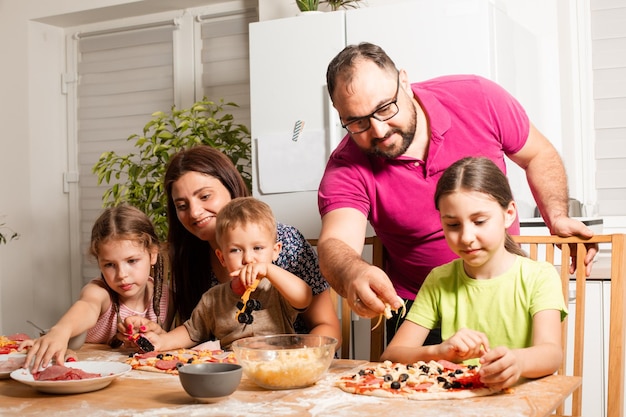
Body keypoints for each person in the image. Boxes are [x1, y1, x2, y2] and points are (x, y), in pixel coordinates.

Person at [316, 42, 594, 341]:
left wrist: (558, 216)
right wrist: (353, 272)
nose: (379, 130)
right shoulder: (346, 164)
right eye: (357, 122)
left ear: (405, 83)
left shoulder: (478, 97)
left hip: (506, 292)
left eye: (385, 108)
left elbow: (537, 154)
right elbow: (336, 242)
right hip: (423, 310)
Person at [380, 157, 567, 391]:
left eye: (479, 221)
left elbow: (551, 353)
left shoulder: (539, 276)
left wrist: (517, 362)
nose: (466, 237)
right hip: (456, 405)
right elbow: (392, 354)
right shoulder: (439, 279)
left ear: (509, 213)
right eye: (453, 225)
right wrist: (439, 351)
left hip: (521, 404)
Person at [135, 145, 339, 344]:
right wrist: (160, 338)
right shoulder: (190, 256)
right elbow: (193, 330)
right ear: (222, 256)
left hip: (297, 360)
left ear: (230, 187)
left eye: (205, 196)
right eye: (182, 206)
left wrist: (289, 356)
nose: (194, 212)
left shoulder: (284, 243)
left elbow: (323, 322)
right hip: (230, 368)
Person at [131, 197, 313, 351]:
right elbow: (191, 332)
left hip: (279, 369)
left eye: (258, 248)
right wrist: (162, 342)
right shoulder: (214, 299)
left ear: (275, 251)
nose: (248, 258)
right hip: (235, 373)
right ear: (222, 257)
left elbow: (304, 297)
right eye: (235, 250)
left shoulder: (277, 289)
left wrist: (268, 269)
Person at [21, 204, 173, 371]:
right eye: (109, 264)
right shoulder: (99, 292)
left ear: (152, 254)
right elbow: (87, 306)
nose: (122, 274)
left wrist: (158, 333)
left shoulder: (166, 298)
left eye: (131, 261)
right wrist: (60, 331)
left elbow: (171, 345)